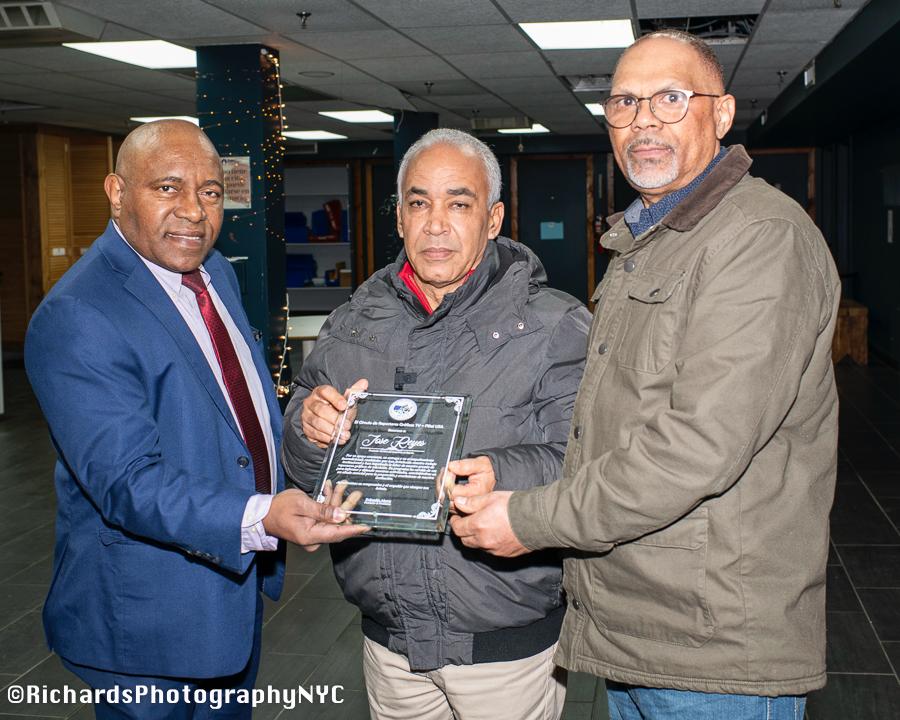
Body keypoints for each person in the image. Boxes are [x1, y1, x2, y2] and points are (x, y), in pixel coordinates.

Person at [450, 30, 840, 720]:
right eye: (625, 103)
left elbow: (697, 446)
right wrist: (515, 479)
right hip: (642, 628)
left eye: (670, 98)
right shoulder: (650, 241)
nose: (644, 121)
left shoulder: (758, 238)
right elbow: (617, 424)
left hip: (714, 650)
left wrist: (530, 519)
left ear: (722, 114)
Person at [24, 119, 366, 719]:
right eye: (167, 188)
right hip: (148, 620)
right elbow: (127, 482)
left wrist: (308, 425)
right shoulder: (79, 314)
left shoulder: (214, 273)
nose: (193, 211)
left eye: (209, 192)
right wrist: (261, 514)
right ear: (116, 192)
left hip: (228, 592)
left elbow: (234, 405)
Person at [282, 128, 591, 720]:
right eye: (419, 203)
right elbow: (302, 464)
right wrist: (308, 429)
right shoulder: (353, 323)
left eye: (459, 203)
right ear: (400, 217)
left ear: (493, 219)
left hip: (505, 650)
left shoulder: (555, 326)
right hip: (388, 642)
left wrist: (500, 473)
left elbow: (588, 461)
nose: (436, 224)